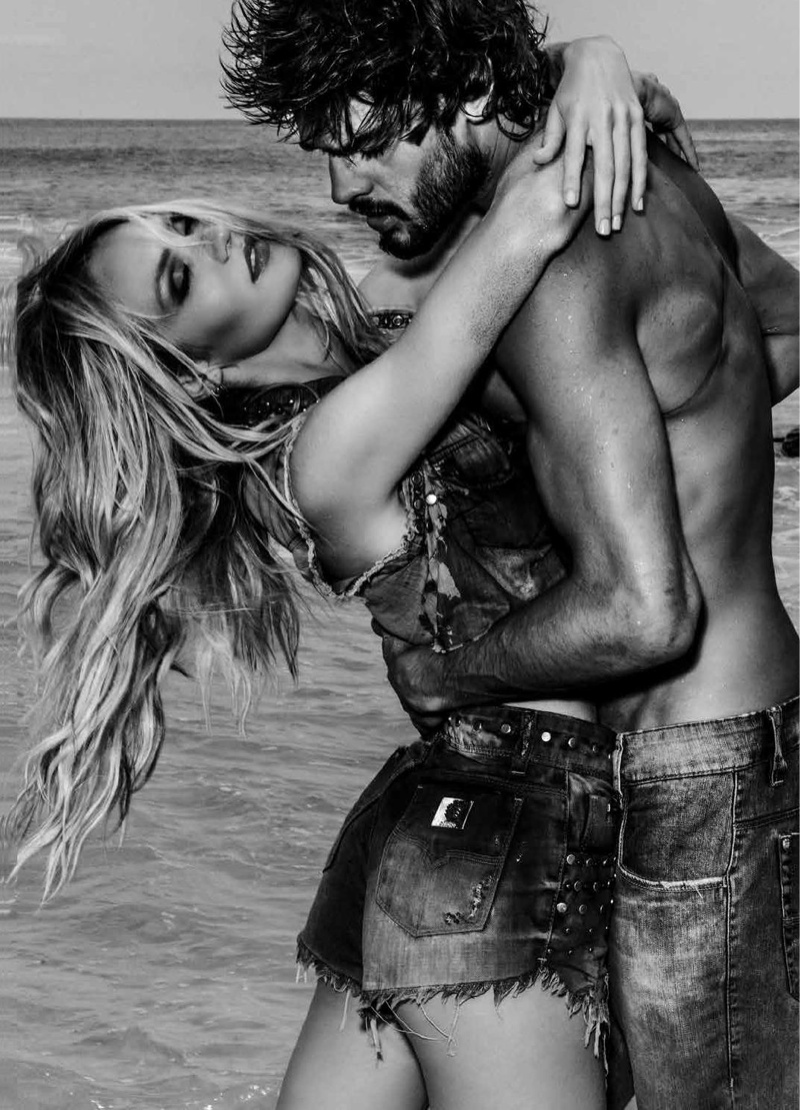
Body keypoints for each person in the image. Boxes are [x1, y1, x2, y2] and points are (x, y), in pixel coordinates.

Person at [221, 0, 800, 1107]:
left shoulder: (550, 271)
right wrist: (664, 429)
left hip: (694, 776)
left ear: (472, 96)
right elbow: (781, 327)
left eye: (363, 145)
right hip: (748, 738)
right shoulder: (653, 181)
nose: (340, 187)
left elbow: (642, 612)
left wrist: (453, 671)